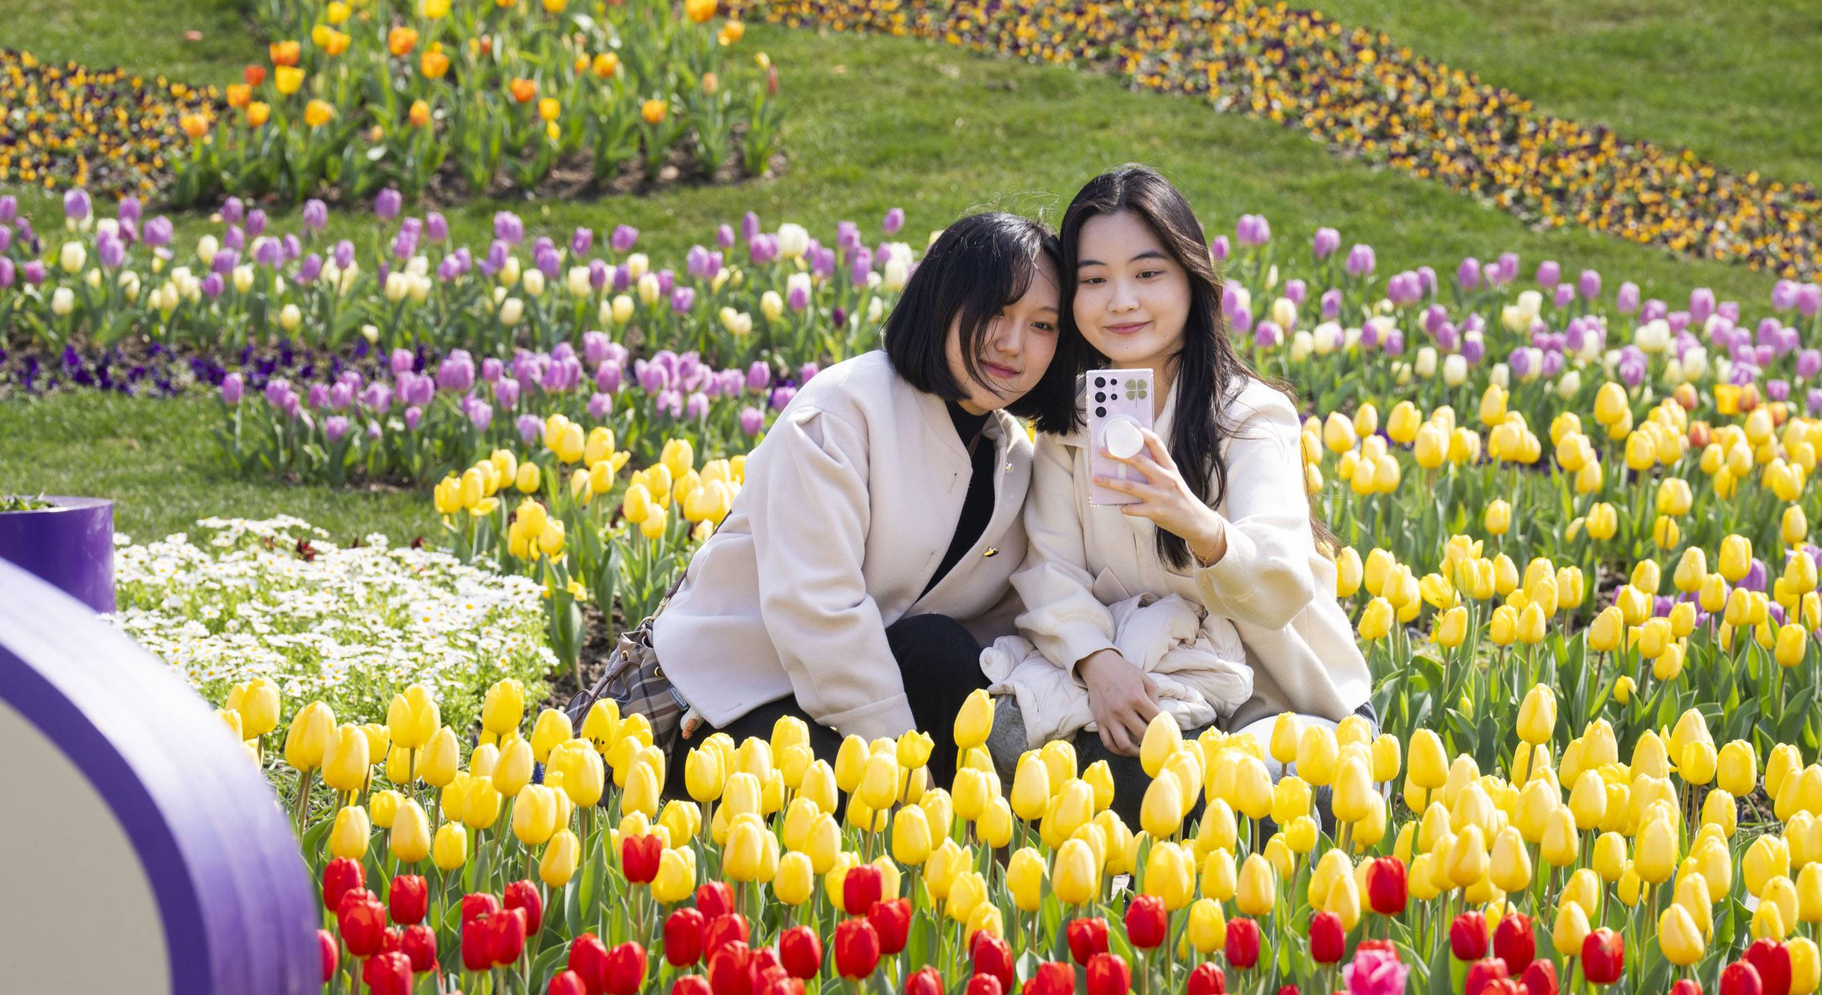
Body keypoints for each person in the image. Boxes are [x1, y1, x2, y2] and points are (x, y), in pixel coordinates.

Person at [573, 211, 1064, 788]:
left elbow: (1004, 626)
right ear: (942, 299)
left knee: (942, 650)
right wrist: (904, 774)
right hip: (725, 704)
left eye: (1042, 326)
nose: (1012, 344)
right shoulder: (844, 410)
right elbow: (817, 612)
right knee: (831, 803)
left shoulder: (1012, 460)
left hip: (849, 708)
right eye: (996, 312)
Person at [994, 164, 1373, 822]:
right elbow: (1048, 568)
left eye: (1147, 273)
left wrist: (1198, 522)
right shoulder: (1075, 425)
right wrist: (1098, 661)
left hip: (1274, 704)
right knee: (1013, 743)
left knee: (1209, 790)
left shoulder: (1249, 418)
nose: (1120, 301)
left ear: (1190, 280)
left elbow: (1282, 580)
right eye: (1093, 280)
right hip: (1134, 691)